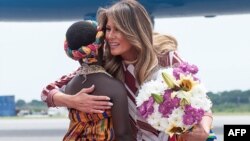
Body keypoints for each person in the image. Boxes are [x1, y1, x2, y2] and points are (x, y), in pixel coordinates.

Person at [41, 0, 214, 141]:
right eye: (108, 29)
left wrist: (204, 128)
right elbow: (47, 91)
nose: (110, 36)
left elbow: (201, 103)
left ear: (134, 31)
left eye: (118, 30)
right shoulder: (104, 62)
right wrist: (71, 101)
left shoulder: (166, 58)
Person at [57, 20, 131, 141]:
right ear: (100, 45)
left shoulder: (69, 86)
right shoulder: (114, 87)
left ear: (73, 54)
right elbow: (123, 134)